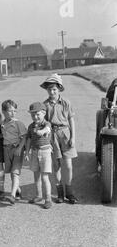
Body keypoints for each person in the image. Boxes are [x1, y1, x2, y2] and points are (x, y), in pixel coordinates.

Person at [41, 73, 78, 204]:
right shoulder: (45, 105)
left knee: (68, 165)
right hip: (52, 134)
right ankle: (60, 193)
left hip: (65, 133)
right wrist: (47, 141)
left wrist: (73, 137)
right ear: (47, 90)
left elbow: (71, 120)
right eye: (50, 89)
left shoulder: (66, 102)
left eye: (54, 89)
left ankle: (70, 192)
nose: (52, 92)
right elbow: (44, 123)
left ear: (59, 89)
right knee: (56, 165)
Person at [25, 102, 53, 209]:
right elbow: (28, 139)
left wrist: (41, 131)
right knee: (36, 176)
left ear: (44, 113)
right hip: (35, 151)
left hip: (45, 151)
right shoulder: (31, 126)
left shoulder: (46, 124)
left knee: (45, 177)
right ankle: (38, 195)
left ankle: (48, 199)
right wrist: (27, 152)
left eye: (37, 114)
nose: (35, 117)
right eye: (33, 115)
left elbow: (47, 130)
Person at [0, 100, 27, 204]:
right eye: (10, 111)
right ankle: (18, 191)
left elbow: (24, 137)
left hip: (16, 149)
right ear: (4, 111)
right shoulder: (3, 123)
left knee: (15, 172)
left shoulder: (18, 123)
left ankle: (12, 195)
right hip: (6, 149)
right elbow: (6, 135)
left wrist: (20, 148)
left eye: (15, 111)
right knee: (11, 172)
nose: (13, 113)